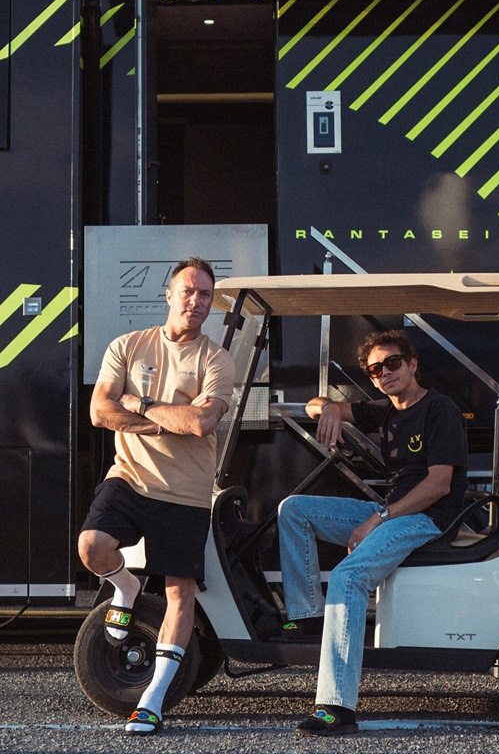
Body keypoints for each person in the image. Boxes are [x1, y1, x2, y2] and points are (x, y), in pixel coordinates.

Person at [276, 329, 468, 736]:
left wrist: (379, 518)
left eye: (393, 363)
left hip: (427, 517)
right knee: (294, 510)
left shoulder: (439, 409)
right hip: (393, 511)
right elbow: (312, 405)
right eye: (375, 369)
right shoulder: (385, 411)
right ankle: (309, 617)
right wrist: (329, 408)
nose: (385, 373)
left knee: (348, 576)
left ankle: (337, 707)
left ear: (412, 364)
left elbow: (439, 485)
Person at [78, 257, 235, 736]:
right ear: (168, 294)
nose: (196, 301)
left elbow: (201, 423)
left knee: (179, 593)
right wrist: (164, 422)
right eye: (188, 291)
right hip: (130, 475)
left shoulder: (217, 360)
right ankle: (125, 587)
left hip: (186, 492)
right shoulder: (128, 346)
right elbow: (100, 412)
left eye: (205, 294)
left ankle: (152, 700)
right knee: (92, 547)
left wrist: (140, 403)